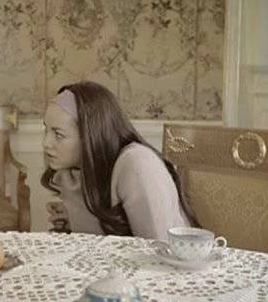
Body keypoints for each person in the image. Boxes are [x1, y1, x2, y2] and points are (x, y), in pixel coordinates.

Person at [41, 81, 197, 240]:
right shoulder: (73, 172)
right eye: (46, 130)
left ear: (89, 135)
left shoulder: (137, 164)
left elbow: (158, 245)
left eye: (58, 135)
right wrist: (74, 217)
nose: (45, 143)